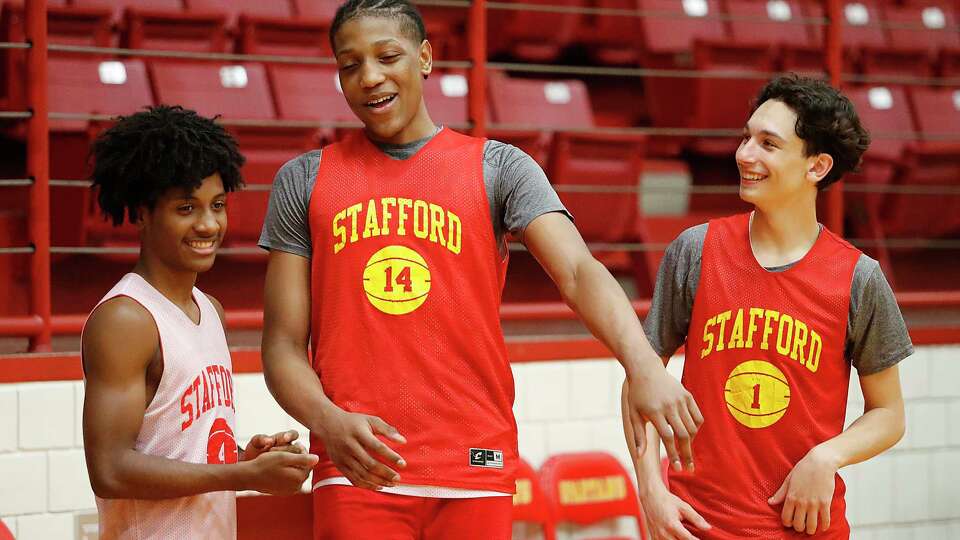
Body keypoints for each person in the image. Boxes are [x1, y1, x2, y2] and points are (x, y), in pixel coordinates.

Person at [257, 0, 703, 537]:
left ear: (424, 57)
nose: (369, 77)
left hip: (473, 461)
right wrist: (326, 422)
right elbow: (282, 344)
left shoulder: (500, 167)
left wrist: (645, 366)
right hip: (358, 467)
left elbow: (579, 272)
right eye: (350, 65)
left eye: (387, 56)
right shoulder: (303, 180)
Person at [622, 75, 912, 539]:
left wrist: (828, 455)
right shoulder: (696, 251)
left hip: (803, 527)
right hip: (696, 526)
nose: (744, 154)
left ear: (816, 166)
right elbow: (641, 377)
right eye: (746, 137)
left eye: (768, 144)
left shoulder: (859, 279)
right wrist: (651, 490)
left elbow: (889, 415)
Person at [82, 105, 319, 540]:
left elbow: (181, 448)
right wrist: (240, 478)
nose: (208, 224)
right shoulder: (126, 318)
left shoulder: (210, 308)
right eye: (186, 208)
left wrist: (243, 459)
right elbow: (110, 470)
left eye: (217, 205)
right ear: (141, 213)